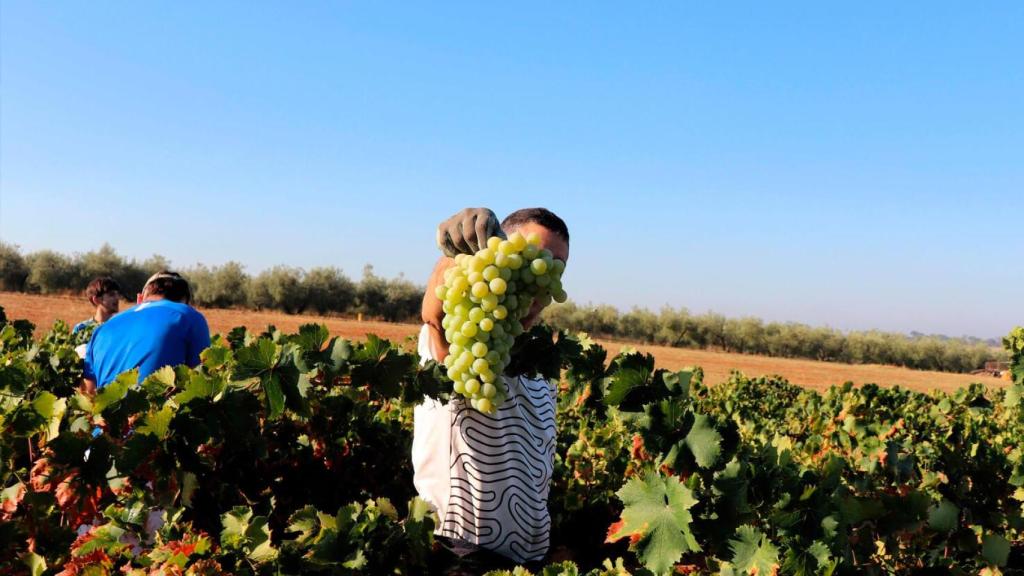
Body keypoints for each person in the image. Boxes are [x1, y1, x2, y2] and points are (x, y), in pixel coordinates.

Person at [413, 207, 570, 568]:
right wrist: (455, 256)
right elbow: (435, 314)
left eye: (553, 266)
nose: (539, 276)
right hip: (462, 556)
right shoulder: (461, 338)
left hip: (528, 560)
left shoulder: (540, 362)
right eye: (529, 259)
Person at [82, 271, 210, 395]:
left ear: (141, 298)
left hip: (107, 414)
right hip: (153, 413)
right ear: (185, 301)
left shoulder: (102, 329)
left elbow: (89, 393)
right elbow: (200, 382)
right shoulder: (188, 316)